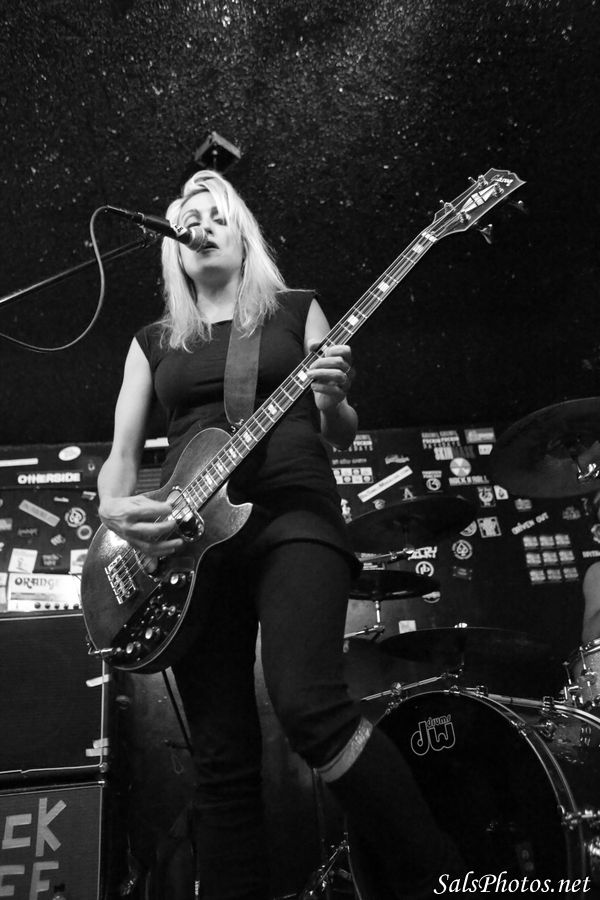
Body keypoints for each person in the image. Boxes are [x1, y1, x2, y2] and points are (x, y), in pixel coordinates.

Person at [96, 169, 458, 899]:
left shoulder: (295, 309)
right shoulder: (154, 340)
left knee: (310, 706)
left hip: (293, 512)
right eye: (188, 217)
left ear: (243, 235)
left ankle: (445, 879)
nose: (200, 224)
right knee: (221, 757)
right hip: (189, 549)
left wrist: (335, 398)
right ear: (172, 246)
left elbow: (338, 428)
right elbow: (122, 457)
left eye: (216, 214)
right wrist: (115, 512)